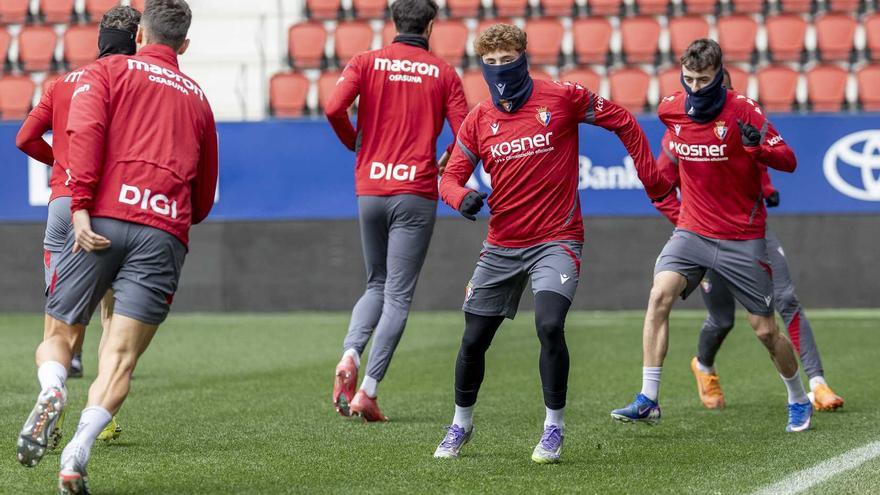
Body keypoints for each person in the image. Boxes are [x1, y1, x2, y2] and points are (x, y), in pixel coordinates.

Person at [433, 24, 672, 463]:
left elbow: (622, 119)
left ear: (524, 55)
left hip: (556, 241)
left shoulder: (562, 98)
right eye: (492, 63)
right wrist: (460, 197)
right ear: (482, 67)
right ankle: (460, 425)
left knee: (548, 325)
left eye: (508, 59)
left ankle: (553, 429)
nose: (501, 69)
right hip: (502, 244)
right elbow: (447, 177)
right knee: (472, 340)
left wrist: (652, 178)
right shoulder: (479, 118)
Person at [15, 1, 218, 492]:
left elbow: (85, 131)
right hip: (162, 231)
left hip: (100, 219)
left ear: (142, 36)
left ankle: (53, 388)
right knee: (121, 357)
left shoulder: (108, 73)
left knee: (60, 333)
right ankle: (76, 453)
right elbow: (205, 192)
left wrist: (81, 200)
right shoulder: (199, 97)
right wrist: (171, 219)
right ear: (184, 45)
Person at [611, 39, 813, 433]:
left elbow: (788, 159)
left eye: (703, 79)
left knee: (765, 330)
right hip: (692, 232)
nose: (695, 87)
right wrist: (680, 215)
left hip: (741, 235)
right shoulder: (671, 110)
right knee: (658, 296)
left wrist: (759, 151)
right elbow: (663, 179)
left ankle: (798, 397)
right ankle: (648, 398)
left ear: (719, 75)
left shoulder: (744, 110)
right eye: (688, 78)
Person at [653, 69, 844, 412]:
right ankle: (705, 366)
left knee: (786, 298)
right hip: (704, 235)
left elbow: (762, 163)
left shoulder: (741, 121)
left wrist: (766, 190)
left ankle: (817, 383)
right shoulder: (677, 135)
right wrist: (685, 222)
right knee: (721, 319)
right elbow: (660, 185)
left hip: (752, 231)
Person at [324, 0, 468, 421]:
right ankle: (367, 391)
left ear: (393, 21)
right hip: (415, 191)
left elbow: (334, 108)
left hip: (370, 187)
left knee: (375, 284)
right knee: (398, 295)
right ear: (431, 24)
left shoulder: (366, 62)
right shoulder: (443, 73)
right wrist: (447, 159)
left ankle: (350, 353)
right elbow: (466, 135)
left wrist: (355, 141)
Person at [14, 5, 143, 454]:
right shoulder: (135, 82)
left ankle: (53, 403)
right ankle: (104, 421)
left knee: (57, 317)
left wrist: (61, 166)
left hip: (61, 205)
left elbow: (25, 138)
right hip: (106, 204)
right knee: (111, 316)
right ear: (137, 40)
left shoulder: (62, 83)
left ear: (98, 40)